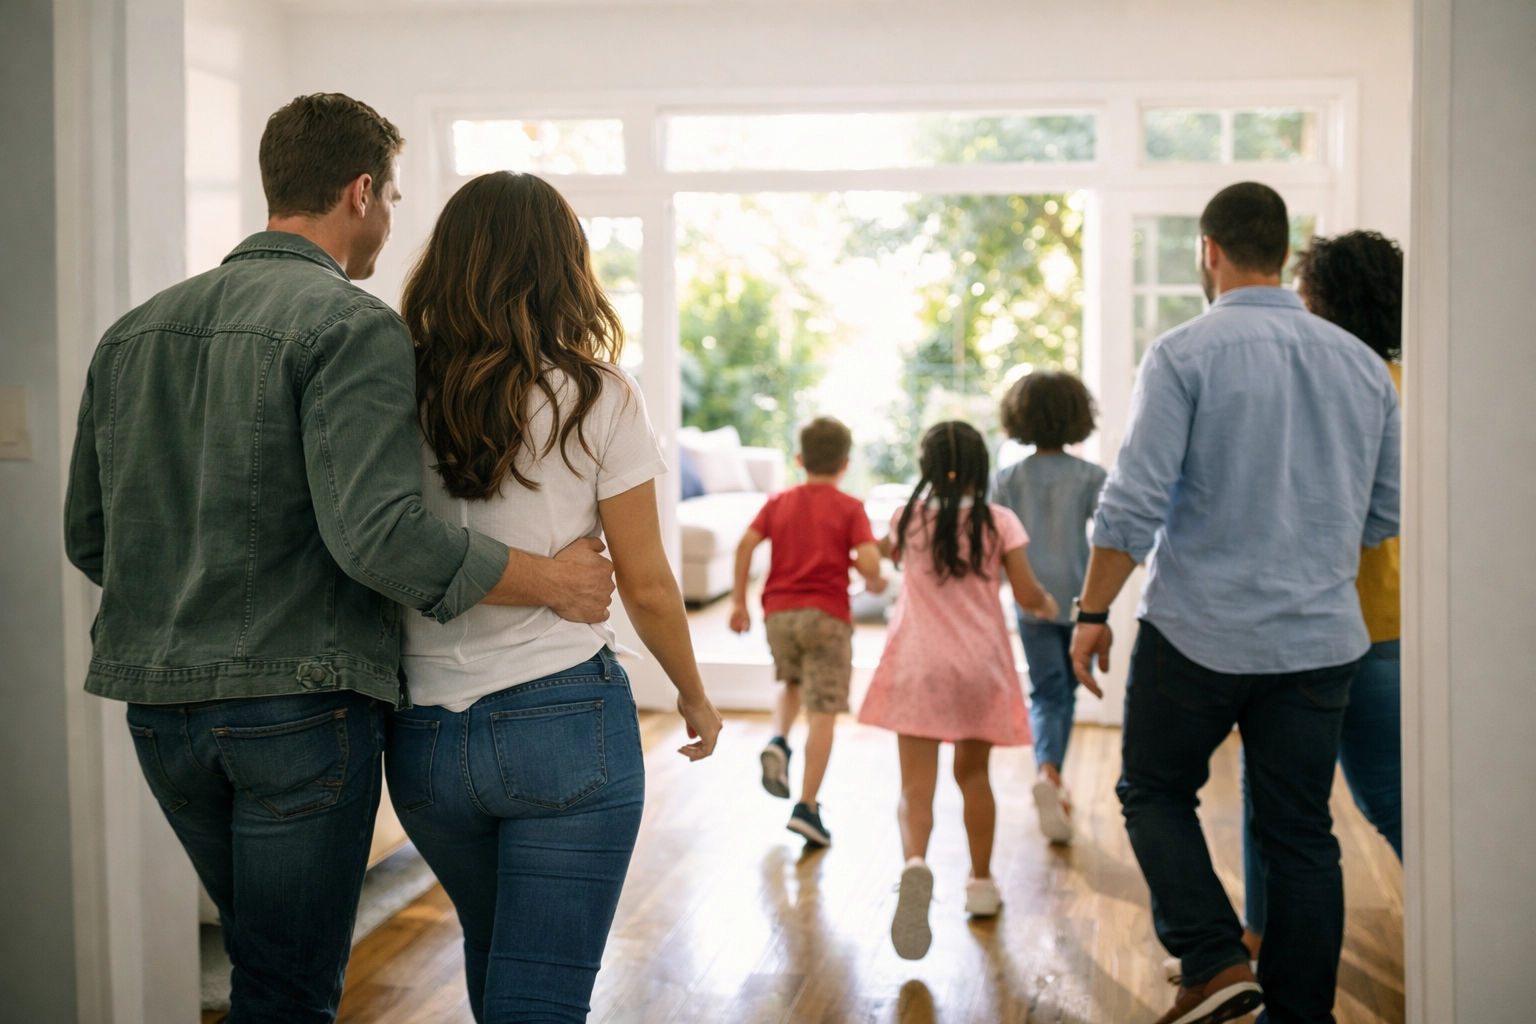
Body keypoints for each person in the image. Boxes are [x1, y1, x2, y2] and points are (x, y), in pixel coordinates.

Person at [62, 94, 616, 1023]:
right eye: (393, 197)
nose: (392, 222)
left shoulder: (133, 333)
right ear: (361, 191)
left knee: (260, 967)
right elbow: (381, 535)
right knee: (287, 987)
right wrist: (554, 579)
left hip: (160, 715)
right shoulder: (349, 324)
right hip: (297, 712)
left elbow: (90, 536)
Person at [389, 171, 723, 1024]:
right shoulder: (596, 392)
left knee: (496, 954)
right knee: (538, 990)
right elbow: (645, 580)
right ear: (563, 266)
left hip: (424, 734)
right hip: (563, 721)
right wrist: (693, 692)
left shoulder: (393, 388)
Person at [1070, 182, 1400, 1024]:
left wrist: (1092, 611)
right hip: (1321, 643)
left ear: (1208, 251)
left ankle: (1215, 959)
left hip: (1200, 637)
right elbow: (1385, 514)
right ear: (1285, 254)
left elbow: (1134, 503)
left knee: (1152, 790)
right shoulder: (1364, 366)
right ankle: (1300, 1015)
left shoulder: (1184, 353)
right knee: (1301, 835)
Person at [1238, 230, 1406, 960]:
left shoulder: (1328, 383)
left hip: (1320, 623)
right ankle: (1260, 930)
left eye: (1308, 292)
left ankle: (1263, 933)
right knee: (1386, 798)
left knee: (1287, 801)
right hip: (1388, 619)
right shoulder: (1412, 386)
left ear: (1326, 300)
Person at [858, 422, 1059, 960]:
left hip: (918, 665)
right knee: (975, 779)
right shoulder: (1000, 521)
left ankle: (916, 866)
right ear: (979, 466)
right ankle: (981, 884)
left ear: (926, 467)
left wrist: (865, 563)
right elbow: (1026, 590)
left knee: (915, 790)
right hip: (978, 668)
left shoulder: (908, 517)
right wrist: (1047, 606)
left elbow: (872, 556)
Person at [730, 416, 886, 847]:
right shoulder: (850, 507)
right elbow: (871, 565)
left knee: (792, 681)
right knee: (823, 711)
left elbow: (745, 544)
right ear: (845, 463)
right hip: (826, 618)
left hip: (778, 615)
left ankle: (779, 740)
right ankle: (807, 807)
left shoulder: (778, 501)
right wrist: (870, 574)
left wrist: (738, 601)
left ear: (799, 459)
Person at [991, 371, 1107, 845]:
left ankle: (1049, 772)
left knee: (1047, 692)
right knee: (1067, 691)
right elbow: (1110, 538)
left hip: (1031, 599)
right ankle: (1052, 776)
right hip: (1082, 600)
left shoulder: (1007, 479)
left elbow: (993, 544)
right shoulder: (1091, 477)